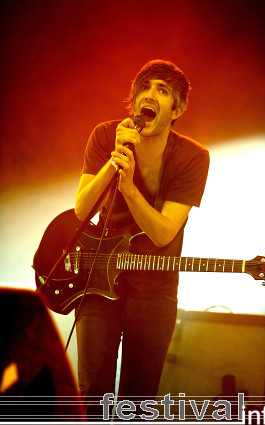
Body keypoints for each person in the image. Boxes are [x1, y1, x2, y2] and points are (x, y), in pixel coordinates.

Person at [74, 59, 210, 420]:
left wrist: (130, 189)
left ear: (177, 108)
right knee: (92, 395)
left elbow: (164, 232)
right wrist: (113, 164)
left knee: (136, 404)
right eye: (145, 88)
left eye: (162, 91)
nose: (149, 95)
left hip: (154, 291)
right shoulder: (106, 136)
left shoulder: (193, 157)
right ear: (134, 100)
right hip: (99, 279)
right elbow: (81, 209)